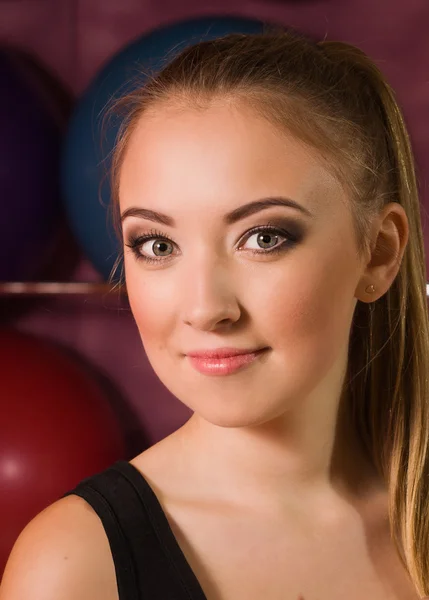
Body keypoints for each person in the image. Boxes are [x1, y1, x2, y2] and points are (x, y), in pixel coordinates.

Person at [1, 27, 428, 600]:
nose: (205, 309)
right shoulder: (74, 569)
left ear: (378, 253)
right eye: (157, 245)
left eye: (263, 237)